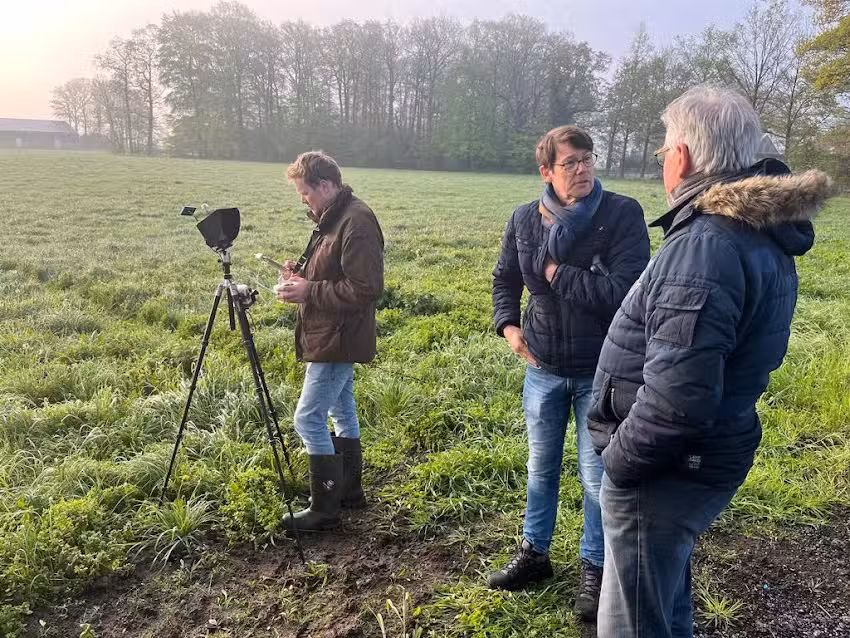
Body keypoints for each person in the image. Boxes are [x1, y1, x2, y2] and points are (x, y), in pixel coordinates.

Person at [587, 85, 833, 637]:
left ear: (685, 155)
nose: (663, 159)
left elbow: (678, 399)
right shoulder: (751, 232)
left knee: (632, 625)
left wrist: (621, 469)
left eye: (664, 147)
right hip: (701, 455)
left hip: (665, 469)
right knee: (667, 604)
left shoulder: (705, 243)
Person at [489, 125, 650, 620]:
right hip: (542, 367)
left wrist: (558, 274)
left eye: (587, 159)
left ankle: (594, 567)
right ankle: (535, 554)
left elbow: (624, 292)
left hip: (602, 372)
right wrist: (509, 326)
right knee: (540, 469)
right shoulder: (524, 219)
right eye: (570, 163)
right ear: (546, 172)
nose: (582, 170)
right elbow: (505, 277)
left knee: (593, 477)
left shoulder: (621, 214)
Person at [275, 151, 384, 531]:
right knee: (342, 410)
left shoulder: (357, 221)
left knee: (307, 419)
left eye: (304, 192)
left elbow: (365, 288)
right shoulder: (334, 218)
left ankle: (324, 508)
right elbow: (333, 268)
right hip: (331, 332)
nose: (302, 199)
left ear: (325, 186)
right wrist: (301, 273)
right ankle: (349, 491)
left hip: (339, 336)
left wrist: (309, 291)